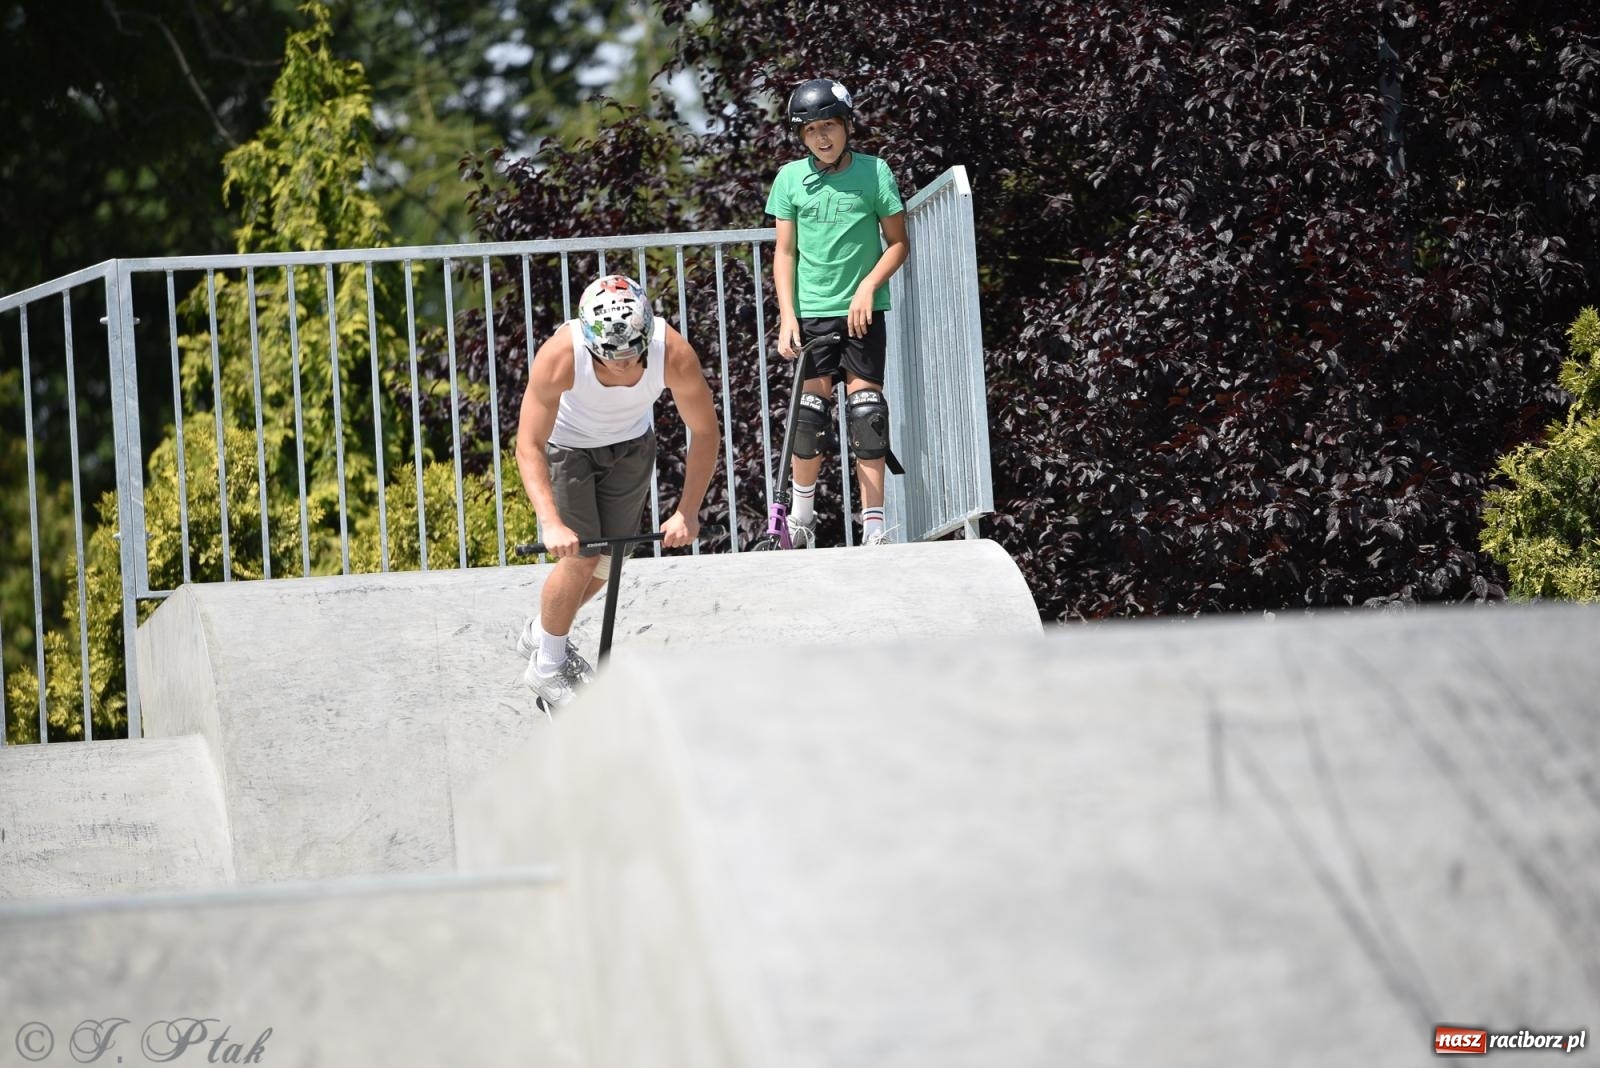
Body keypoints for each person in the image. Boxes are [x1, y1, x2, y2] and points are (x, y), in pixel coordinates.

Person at [513, 274, 719, 707]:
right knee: (581, 556)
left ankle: (542, 631)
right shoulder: (560, 357)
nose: (624, 368)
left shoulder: (673, 353)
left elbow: (704, 433)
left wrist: (688, 510)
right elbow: (528, 444)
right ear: (589, 343)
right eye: (611, 360)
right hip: (568, 447)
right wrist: (550, 522)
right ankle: (547, 666)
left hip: (630, 445)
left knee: (612, 560)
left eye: (632, 357)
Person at [766, 77, 910, 548]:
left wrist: (869, 286)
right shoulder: (790, 179)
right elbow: (784, 254)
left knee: (867, 415)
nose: (821, 137)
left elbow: (898, 244)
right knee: (809, 416)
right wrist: (788, 316)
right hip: (812, 314)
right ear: (801, 136)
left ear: (847, 125)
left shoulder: (875, 172)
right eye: (810, 130)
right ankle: (803, 520)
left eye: (829, 126)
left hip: (862, 313)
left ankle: (873, 527)